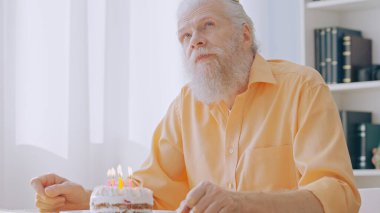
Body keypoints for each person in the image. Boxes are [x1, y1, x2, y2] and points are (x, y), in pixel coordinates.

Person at [30, 0, 361, 212]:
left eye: (207, 26)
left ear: (245, 35)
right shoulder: (184, 106)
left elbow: (338, 195)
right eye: (184, 36)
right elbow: (154, 195)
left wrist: (243, 203)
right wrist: (87, 198)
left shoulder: (302, 86)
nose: (195, 41)